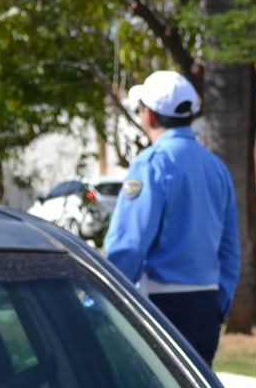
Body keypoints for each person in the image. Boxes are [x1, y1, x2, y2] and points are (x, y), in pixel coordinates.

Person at [102, 69, 239, 363]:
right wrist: (219, 304)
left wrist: (100, 298)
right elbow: (230, 251)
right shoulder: (217, 167)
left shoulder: (152, 162)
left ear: (149, 116)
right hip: (207, 306)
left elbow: (129, 244)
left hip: (163, 305)